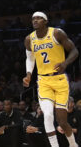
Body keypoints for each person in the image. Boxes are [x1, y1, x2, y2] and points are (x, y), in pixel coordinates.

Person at [24, 12, 79, 147]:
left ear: (46, 21)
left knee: (62, 121)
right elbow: (30, 58)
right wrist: (29, 74)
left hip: (60, 80)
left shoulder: (57, 33)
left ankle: (73, 144)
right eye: (33, 19)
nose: (35, 21)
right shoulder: (29, 39)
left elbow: (75, 51)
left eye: (38, 18)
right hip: (43, 81)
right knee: (47, 115)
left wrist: (65, 63)